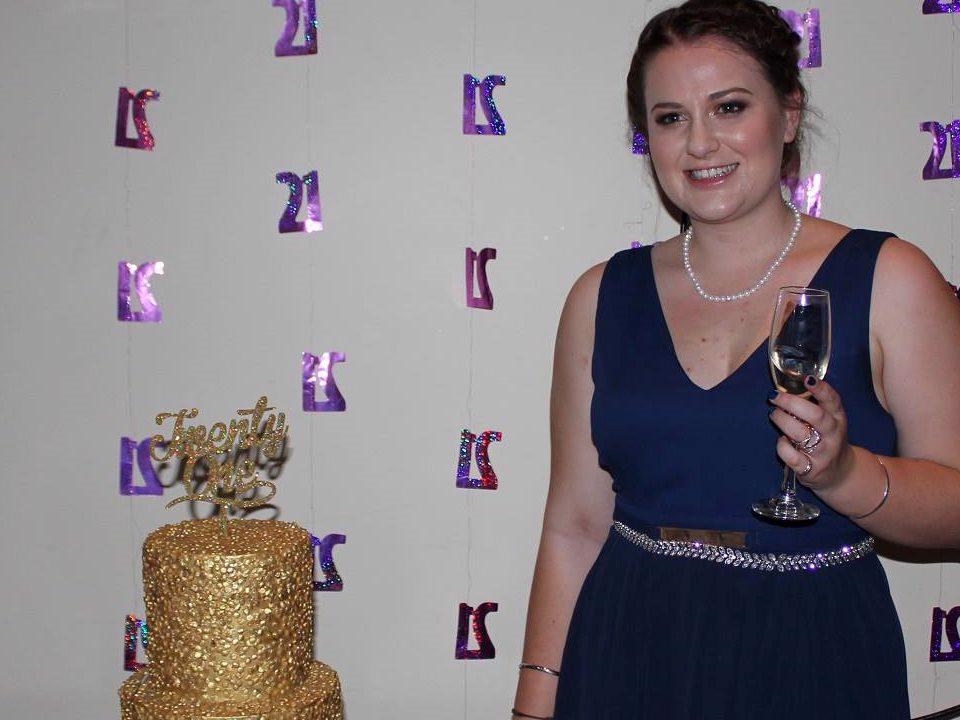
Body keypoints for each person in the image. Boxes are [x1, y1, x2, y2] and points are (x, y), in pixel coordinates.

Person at [511, 1, 960, 718]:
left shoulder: (891, 276)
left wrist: (844, 474)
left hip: (813, 654)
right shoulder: (602, 295)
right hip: (627, 647)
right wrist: (535, 704)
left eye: (729, 107)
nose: (699, 143)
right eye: (670, 118)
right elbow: (574, 527)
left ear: (788, 114)